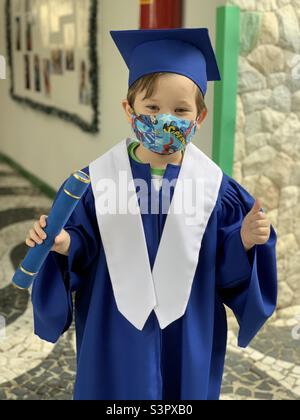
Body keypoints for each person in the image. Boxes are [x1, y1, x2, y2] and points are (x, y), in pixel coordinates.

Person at [25, 28, 277, 400]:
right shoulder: (95, 182)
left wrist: (243, 240)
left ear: (200, 116)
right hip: (114, 328)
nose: (165, 120)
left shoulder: (217, 190)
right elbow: (85, 247)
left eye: (180, 110)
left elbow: (225, 270)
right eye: (152, 109)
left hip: (188, 327)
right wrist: (65, 243)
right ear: (130, 110)